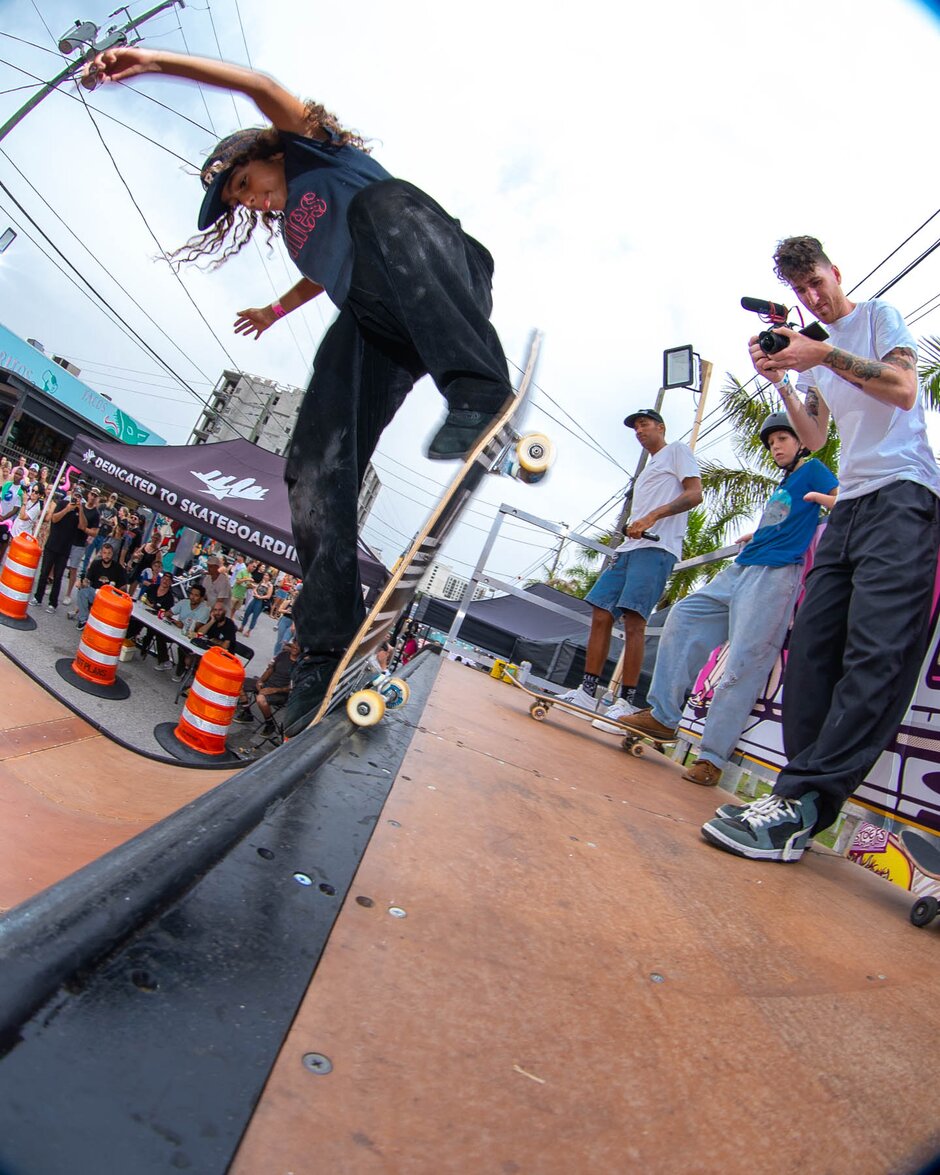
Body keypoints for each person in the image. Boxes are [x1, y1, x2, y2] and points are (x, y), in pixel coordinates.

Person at [87, 46, 513, 737]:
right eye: (242, 201)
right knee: (311, 461)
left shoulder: (317, 150)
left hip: (441, 269)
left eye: (249, 181)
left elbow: (258, 85)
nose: (254, 199)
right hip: (383, 320)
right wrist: (272, 311)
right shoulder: (294, 232)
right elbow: (324, 276)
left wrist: (152, 62)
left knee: (379, 204)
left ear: (270, 153)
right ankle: (323, 649)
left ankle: (477, 388)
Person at [702, 235, 940, 862]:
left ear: (836, 273)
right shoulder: (812, 355)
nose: (813, 298)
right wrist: (783, 378)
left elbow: (902, 388)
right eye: (801, 291)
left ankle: (805, 800)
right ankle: (795, 806)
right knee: (810, 650)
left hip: (905, 495)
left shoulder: (876, 317)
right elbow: (813, 434)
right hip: (853, 503)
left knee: (875, 652)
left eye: (818, 284)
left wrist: (822, 352)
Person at [619, 414, 838, 784]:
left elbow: (845, 502)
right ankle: (663, 717)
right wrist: (757, 534)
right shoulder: (785, 481)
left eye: (783, 438)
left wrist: (827, 501)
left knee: (743, 662)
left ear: (801, 441)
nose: (776, 447)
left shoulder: (814, 470)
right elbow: (786, 520)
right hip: (741, 569)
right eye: (771, 443)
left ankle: (712, 758)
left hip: (776, 574)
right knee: (684, 616)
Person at [558, 410, 702, 719]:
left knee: (635, 622)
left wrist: (652, 517)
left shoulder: (677, 451)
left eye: (644, 424)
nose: (639, 431)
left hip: (657, 548)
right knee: (600, 613)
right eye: (635, 427)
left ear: (661, 427)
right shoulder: (649, 470)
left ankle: (626, 701)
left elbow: (694, 495)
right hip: (629, 549)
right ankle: (586, 692)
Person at [33, 485, 88, 611]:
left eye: (79, 496)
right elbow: (54, 519)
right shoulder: (63, 503)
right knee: (44, 573)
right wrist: (67, 509)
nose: (76, 498)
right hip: (52, 544)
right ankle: (38, 597)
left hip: (64, 549)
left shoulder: (80, 510)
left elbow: (83, 526)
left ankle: (53, 603)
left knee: (58, 577)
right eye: (75, 495)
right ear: (72, 494)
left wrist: (80, 510)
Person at [233, 640, 299, 735]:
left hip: (281, 693)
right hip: (267, 684)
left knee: (260, 699)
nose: (295, 647)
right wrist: (260, 681)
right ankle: (247, 713)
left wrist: (274, 690)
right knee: (237, 682)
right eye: (294, 643)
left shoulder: (300, 664)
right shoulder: (283, 655)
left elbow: (292, 687)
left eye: (299, 645)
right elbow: (270, 669)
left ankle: (270, 723)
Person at [153, 583, 210, 678]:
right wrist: (169, 615)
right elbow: (170, 612)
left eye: (196, 595)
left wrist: (183, 625)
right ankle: (165, 661)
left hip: (190, 636)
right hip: (177, 630)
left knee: (183, 648)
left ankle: (180, 672)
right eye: (191, 594)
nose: (192, 597)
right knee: (160, 634)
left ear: (201, 598)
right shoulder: (184, 602)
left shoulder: (205, 610)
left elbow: (197, 627)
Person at [71, 541, 127, 627]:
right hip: (96, 593)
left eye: (109, 553)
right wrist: (81, 583)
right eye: (104, 553)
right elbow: (87, 580)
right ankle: (83, 620)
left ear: (113, 554)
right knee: (82, 592)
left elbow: (124, 587)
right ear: (101, 553)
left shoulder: (118, 568)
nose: (107, 555)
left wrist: (119, 594)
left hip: (109, 597)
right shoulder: (96, 564)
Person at [63, 487, 101, 605]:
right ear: (88, 494)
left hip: (80, 543)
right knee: (60, 563)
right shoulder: (80, 506)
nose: (93, 497)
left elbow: (94, 532)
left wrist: (85, 529)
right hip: (68, 537)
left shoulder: (95, 514)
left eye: (95, 495)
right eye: (92, 494)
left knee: (73, 568)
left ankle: (68, 594)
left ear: (97, 498)